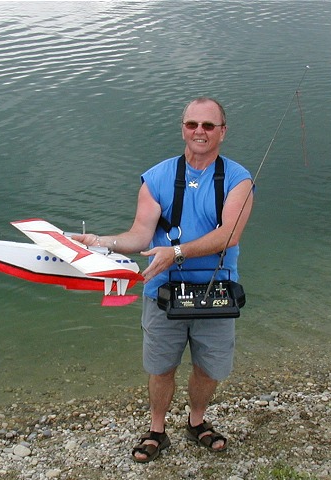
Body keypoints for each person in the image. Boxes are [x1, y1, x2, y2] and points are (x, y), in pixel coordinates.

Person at [73, 97, 253, 463]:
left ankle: (196, 422)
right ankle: (157, 430)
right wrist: (100, 242)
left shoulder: (238, 179)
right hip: (163, 291)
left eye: (208, 125)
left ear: (223, 132)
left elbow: (229, 235)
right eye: (192, 125)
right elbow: (140, 236)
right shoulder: (156, 177)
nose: (199, 132)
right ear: (182, 129)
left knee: (208, 367)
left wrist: (178, 252)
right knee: (161, 367)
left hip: (217, 290)